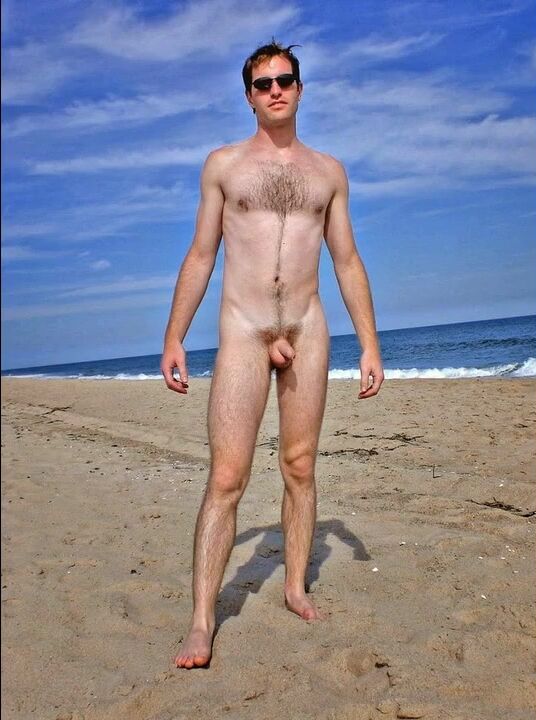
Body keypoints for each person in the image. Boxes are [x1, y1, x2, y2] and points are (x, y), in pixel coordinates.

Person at [160, 40, 384, 669]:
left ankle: (293, 586)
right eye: (263, 84)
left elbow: (346, 260)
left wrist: (370, 343)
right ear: (249, 97)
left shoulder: (329, 172)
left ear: (301, 89)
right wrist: (175, 335)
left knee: (300, 466)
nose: (276, 90)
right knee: (227, 477)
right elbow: (202, 254)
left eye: (285, 80)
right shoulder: (224, 166)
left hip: (308, 328)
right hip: (244, 329)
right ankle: (202, 621)